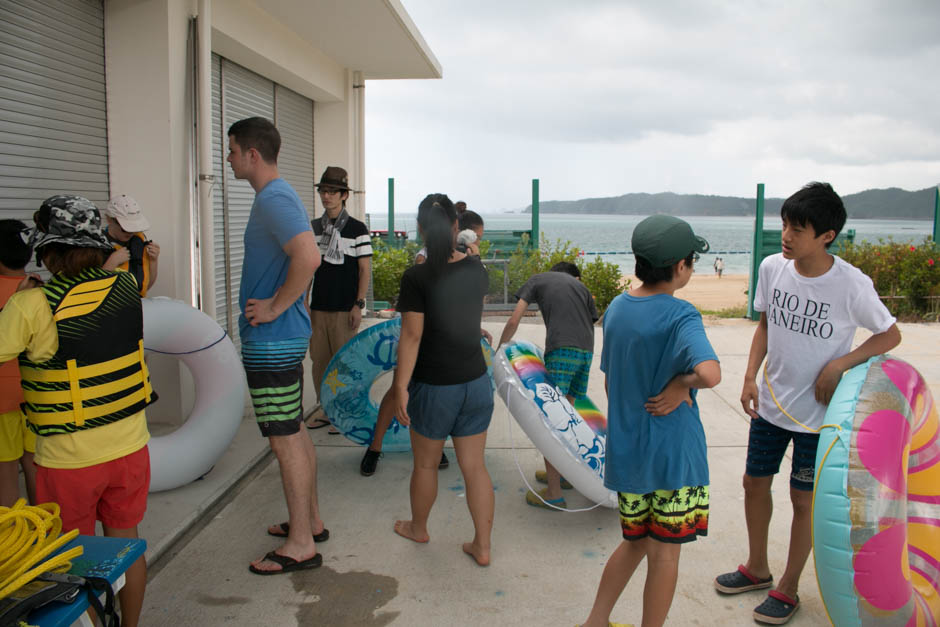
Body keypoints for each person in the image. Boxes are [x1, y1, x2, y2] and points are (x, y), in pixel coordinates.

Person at [715, 182, 901, 625]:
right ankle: (757, 567)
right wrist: (747, 376)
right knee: (753, 484)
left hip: (820, 420)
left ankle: (788, 586)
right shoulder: (772, 268)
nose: (786, 235)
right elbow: (765, 324)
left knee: (804, 501)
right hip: (772, 406)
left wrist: (841, 364)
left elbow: (889, 334)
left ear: (827, 236)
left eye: (797, 229)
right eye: (784, 225)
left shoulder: (852, 285)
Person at [0, 196, 154, 626]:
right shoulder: (125, 285)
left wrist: (17, 299)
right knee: (127, 545)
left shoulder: (31, 305)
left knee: (73, 560)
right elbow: (92, 297)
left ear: (47, 252)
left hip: (68, 461)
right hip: (130, 449)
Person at [581, 214, 720, 627]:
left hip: (630, 455)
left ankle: (596, 620)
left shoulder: (619, 308)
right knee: (665, 554)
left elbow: (610, 385)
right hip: (673, 458)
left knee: (634, 544)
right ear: (680, 267)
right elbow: (710, 374)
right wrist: (681, 383)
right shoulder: (682, 316)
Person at [226, 116, 326, 575]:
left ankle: (301, 544)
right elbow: (301, 259)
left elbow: (309, 257)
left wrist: (273, 308)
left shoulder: (274, 197)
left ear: (252, 154)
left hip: (272, 341)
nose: (227, 159)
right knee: (295, 431)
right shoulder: (276, 198)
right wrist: (289, 305)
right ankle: (310, 523)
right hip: (280, 338)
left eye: (231, 150)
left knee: (284, 440)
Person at [390, 194, 495, 567]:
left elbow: (412, 336)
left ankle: (419, 528)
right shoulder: (477, 269)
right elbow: (469, 315)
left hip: (435, 387)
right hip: (476, 382)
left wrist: (400, 386)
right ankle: (482, 546)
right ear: (456, 227)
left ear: (420, 229)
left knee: (425, 466)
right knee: (474, 467)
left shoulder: (417, 277)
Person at [360, 202, 490, 475]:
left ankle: (433, 444)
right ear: (456, 228)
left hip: (439, 353)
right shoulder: (424, 261)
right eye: (474, 235)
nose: (475, 241)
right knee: (397, 390)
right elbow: (415, 327)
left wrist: (472, 327)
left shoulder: (464, 262)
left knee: (421, 407)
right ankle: (375, 446)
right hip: (417, 343)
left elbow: (460, 305)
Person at [497, 261, 598, 510]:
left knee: (552, 420)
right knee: (569, 417)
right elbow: (590, 320)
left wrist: (499, 348)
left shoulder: (538, 280)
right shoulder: (580, 286)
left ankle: (554, 492)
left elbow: (514, 319)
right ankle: (564, 474)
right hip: (586, 352)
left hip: (561, 350)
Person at [304, 166, 372, 433]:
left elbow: (364, 269)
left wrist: (359, 303)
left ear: (344, 195)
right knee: (319, 361)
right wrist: (304, 302)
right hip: (318, 308)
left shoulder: (357, 229)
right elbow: (308, 267)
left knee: (344, 362)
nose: (326, 196)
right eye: (323, 190)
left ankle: (345, 412)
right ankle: (326, 409)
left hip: (346, 308)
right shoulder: (313, 228)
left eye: (332, 191)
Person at [0, 219, 37, 507]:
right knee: (36, 463)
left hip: (2, 400)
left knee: (6, 469)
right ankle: (47, 528)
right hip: (36, 395)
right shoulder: (40, 289)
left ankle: (13, 537)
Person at [101, 194, 160, 296]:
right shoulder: (97, 245)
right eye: (125, 228)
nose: (130, 233)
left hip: (136, 305)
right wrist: (112, 262)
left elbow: (146, 285)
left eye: (133, 229)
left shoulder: (138, 242)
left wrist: (154, 261)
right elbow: (92, 288)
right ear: (109, 219)